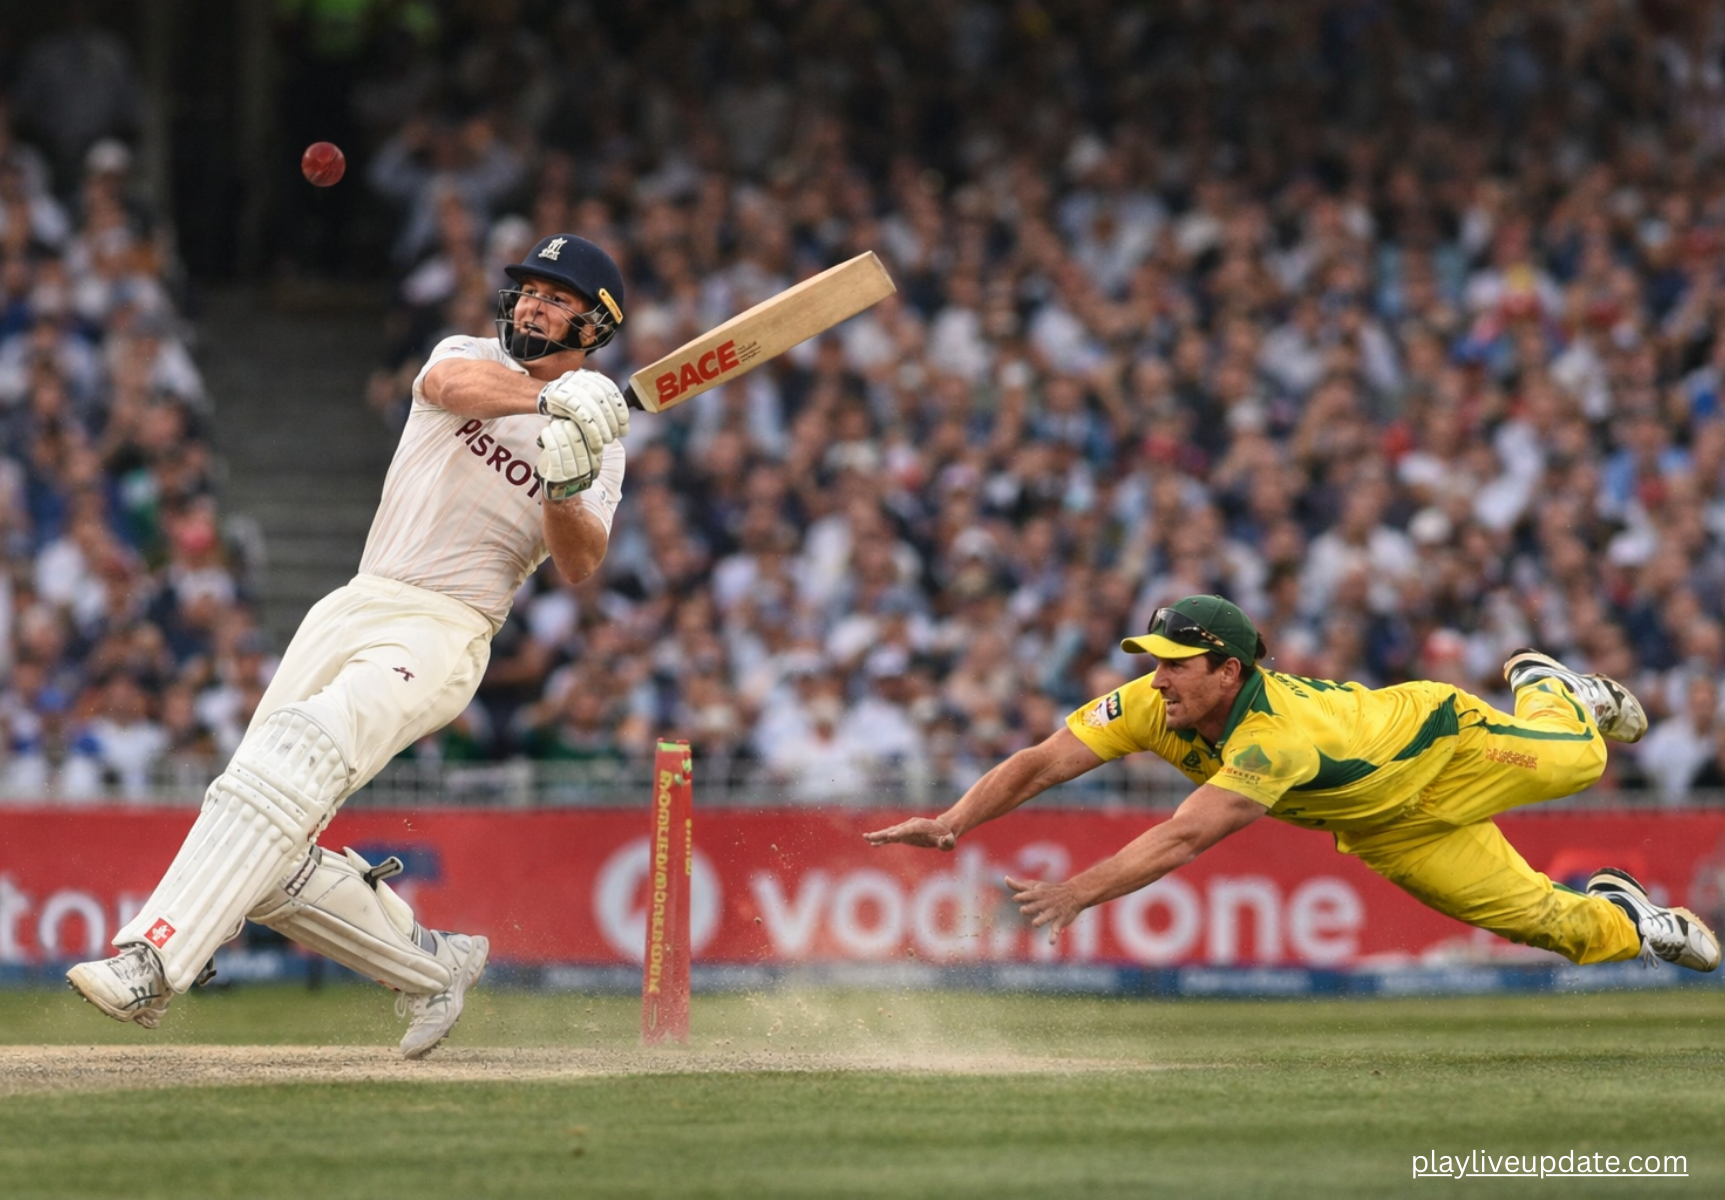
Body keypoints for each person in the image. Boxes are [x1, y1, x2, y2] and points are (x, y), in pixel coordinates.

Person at [66, 233, 635, 1057]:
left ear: (593, 326)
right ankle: (432, 966)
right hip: (354, 601)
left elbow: (581, 562)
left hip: (446, 629)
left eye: (556, 298)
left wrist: (564, 476)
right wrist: (550, 405)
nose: (533, 306)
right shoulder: (468, 356)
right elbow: (446, 384)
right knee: (262, 816)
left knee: (299, 754)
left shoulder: (602, 440)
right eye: (529, 291)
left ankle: (153, 960)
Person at [866, 594, 1720, 974]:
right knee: (1547, 925)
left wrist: (1075, 894)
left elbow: (1183, 835)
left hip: (1438, 747)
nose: (1155, 681)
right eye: (1152, 663)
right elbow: (1042, 761)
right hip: (1388, 828)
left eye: (1174, 665)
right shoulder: (1147, 703)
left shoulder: (1276, 740)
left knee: (1584, 761)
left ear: (1227, 668)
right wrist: (953, 822)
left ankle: (1549, 684)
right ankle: (1632, 918)